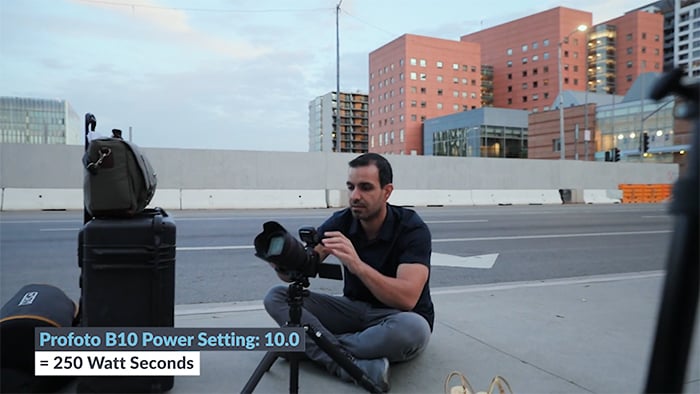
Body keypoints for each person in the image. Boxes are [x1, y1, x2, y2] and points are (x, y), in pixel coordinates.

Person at [264, 152, 433, 392]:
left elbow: (407, 298)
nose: (355, 196)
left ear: (387, 191)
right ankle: (349, 365)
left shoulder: (411, 228)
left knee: (413, 329)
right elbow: (306, 266)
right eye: (350, 187)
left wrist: (357, 265)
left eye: (365, 188)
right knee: (277, 296)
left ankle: (304, 344)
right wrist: (285, 264)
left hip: (396, 317)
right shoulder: (341, 221)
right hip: (352, 310)